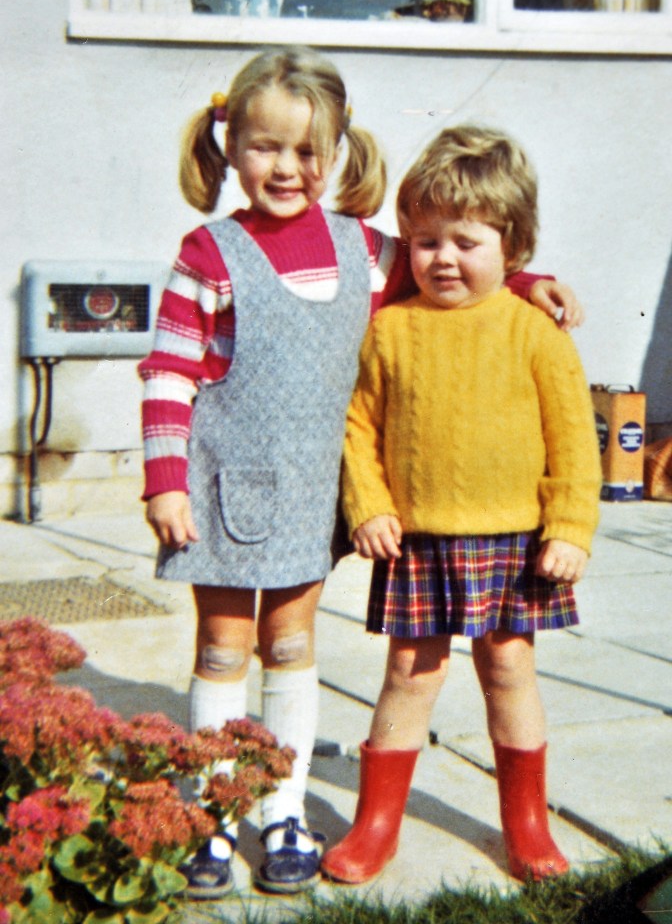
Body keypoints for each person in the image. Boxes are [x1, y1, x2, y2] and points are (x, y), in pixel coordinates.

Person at [139, 48, 582, 898]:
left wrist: (530, 281)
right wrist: (164, 482)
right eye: (266, 148)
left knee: (292, 646)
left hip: (309, 499)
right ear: (230, 147)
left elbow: (451, 252)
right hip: (223, 489)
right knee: (223, 648)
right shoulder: (210, 251)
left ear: (337, 152)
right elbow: (169, 372)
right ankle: (212, 821)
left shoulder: (362, 250)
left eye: (309, 152)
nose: (288, 168)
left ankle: (282, 808)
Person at [320, 125, 602, 886]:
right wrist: (368, 505)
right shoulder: (390, 330)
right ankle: (376, 823)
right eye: (423, 241)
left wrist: (572, 526)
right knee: (409, 675)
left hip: (515, 538)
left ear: (512, 248)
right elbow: (358, 425)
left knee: (509, 667)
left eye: (465, 242)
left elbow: (575, 438)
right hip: (418, 540)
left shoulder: (535, 331)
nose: (441, 258)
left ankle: (527, 824)